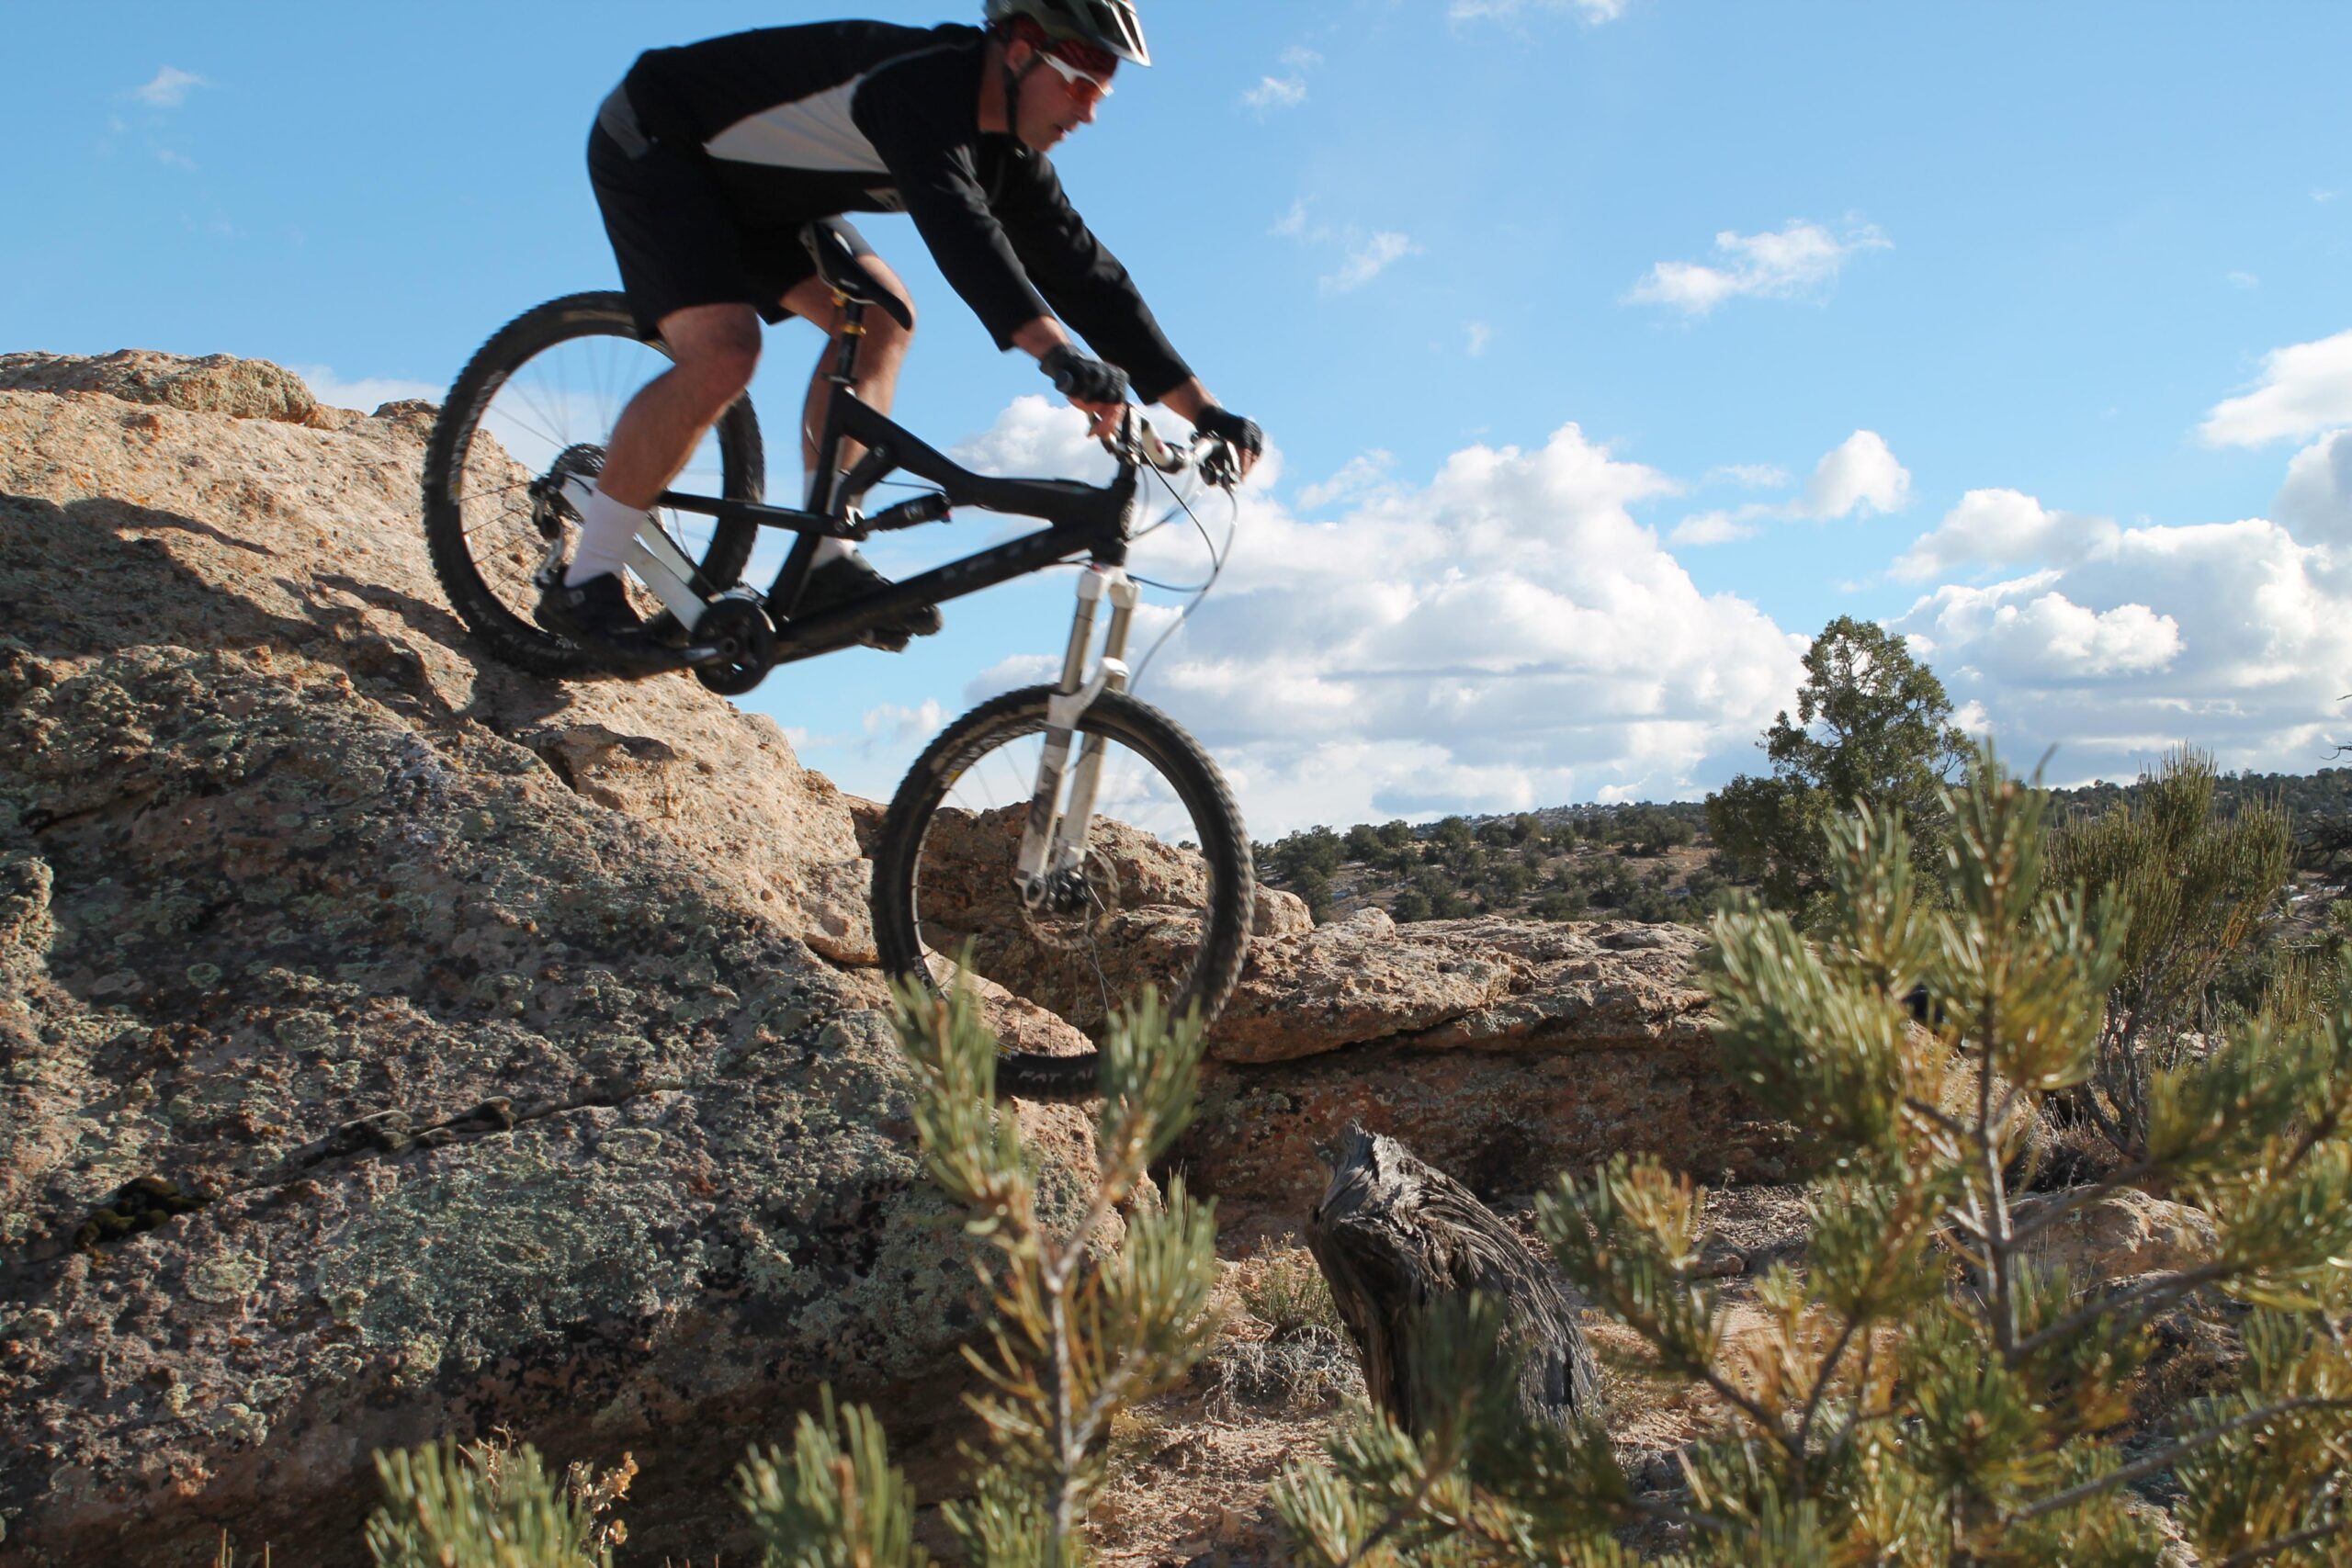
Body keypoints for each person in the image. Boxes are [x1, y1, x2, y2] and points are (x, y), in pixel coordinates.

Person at [543, 0, 1265, 664]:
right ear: (1018, 49)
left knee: (882, 317)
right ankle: (589, 575)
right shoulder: (922, 88)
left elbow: (1086, 274)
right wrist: (1059, 357)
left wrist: (1204, 410)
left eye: (1103, 91)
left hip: (764, 201)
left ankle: (824, 558)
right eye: (1081, 80)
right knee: (727, 352)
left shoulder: (1009, 156)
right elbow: (961, 229)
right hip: (660, 142)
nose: (1091, 111)